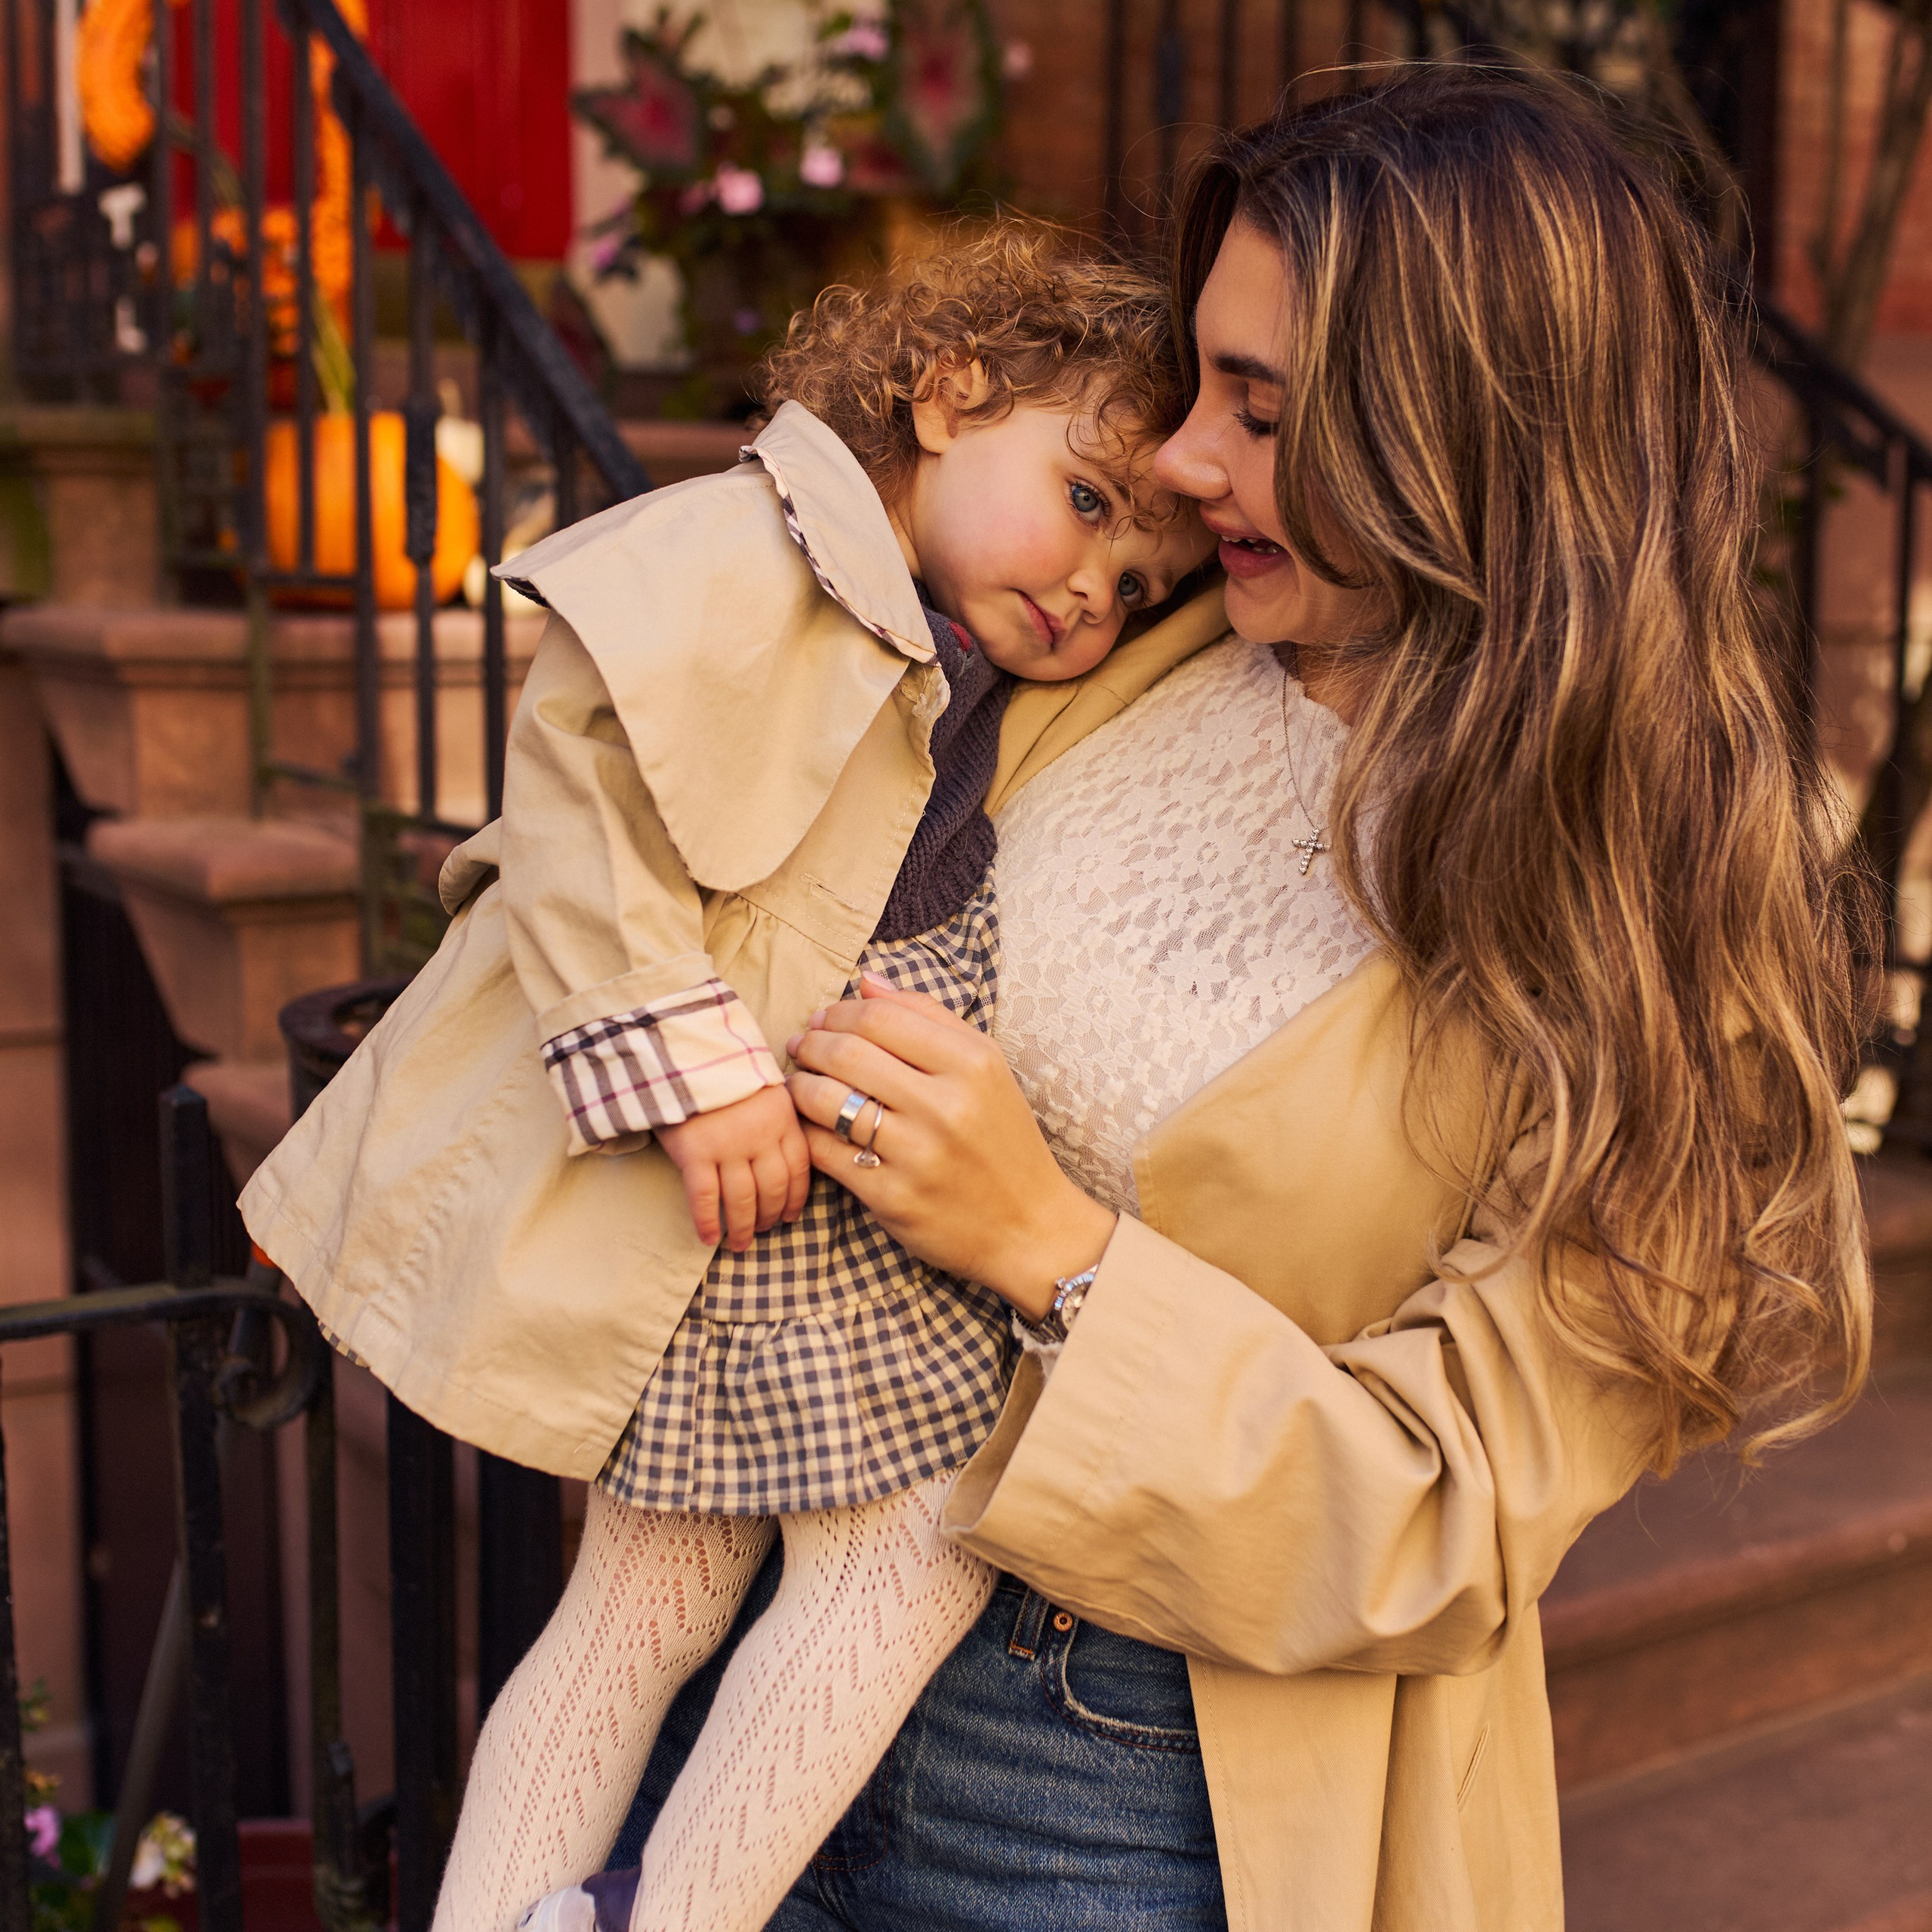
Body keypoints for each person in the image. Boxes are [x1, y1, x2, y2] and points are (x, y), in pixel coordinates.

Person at [631, 66, 1869, 1930]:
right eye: (1203, 382)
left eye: (1262, 411)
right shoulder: (1112, 641)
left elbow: (1447, 1509)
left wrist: (1047, 1245)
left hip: (1111, 1775)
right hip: (755, 1626)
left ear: (1466, 442)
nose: (1184, 461)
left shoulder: (1651, 917)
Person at [240, 223, 1212, 1932]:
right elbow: (576, 783)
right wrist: (693, 1071)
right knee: (872, 1551)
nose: (1092, 589)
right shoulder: (757, 544)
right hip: (755, 1159)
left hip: (837, 1160)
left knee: (665, 1590)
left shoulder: (937, 625)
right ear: (950, 387)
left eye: (1137, 579)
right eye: (1084, 502)